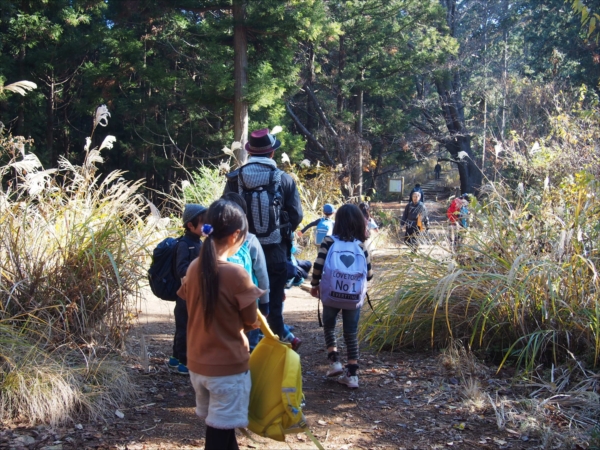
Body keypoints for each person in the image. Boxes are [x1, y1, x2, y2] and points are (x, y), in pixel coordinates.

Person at [177, 200, 264, 450]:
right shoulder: (237, 274)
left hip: (197, 364)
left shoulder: (194, 267)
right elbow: (251, 321)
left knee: (221, 429)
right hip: (228, 368)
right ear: (236, 235)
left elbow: (186, 300)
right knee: (218, 435)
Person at [223, 128, 303, 348]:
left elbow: (225, 211)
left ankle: (246, 345)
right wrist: (282, 230)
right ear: (271, 154)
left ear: (250, 152)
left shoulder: (235, 178)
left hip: (240, 252)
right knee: (273, 300)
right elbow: (297, 215)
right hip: (275, 250)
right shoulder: (284, 179)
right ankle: (275, 338)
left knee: (242, 299)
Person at [310, 204, 373, 389]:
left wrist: (315, 285)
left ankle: (335, 362)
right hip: (353, 298)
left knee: (329, 326)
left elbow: (318, 265)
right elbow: (369, 275)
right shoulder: (360, 246)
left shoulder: (329, 241)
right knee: (351, 333)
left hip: (331, 294)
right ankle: (352, 375)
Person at [222, 192, 271, 352]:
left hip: (222, 303)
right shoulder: (250, 240)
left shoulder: (212, 241)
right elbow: (262, 274)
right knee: (250, 346)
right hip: (249, 303)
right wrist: (265, 303)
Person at [169, 203, 207, 375]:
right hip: (185, 295)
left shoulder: (199, 243)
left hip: (195, 294)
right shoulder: (185, 244)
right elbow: (181, 269)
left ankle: (176, 358)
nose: (207, 226)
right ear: (190, 225)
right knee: (185, 327)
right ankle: (183, 360)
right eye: (203, 223)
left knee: (187, 326)